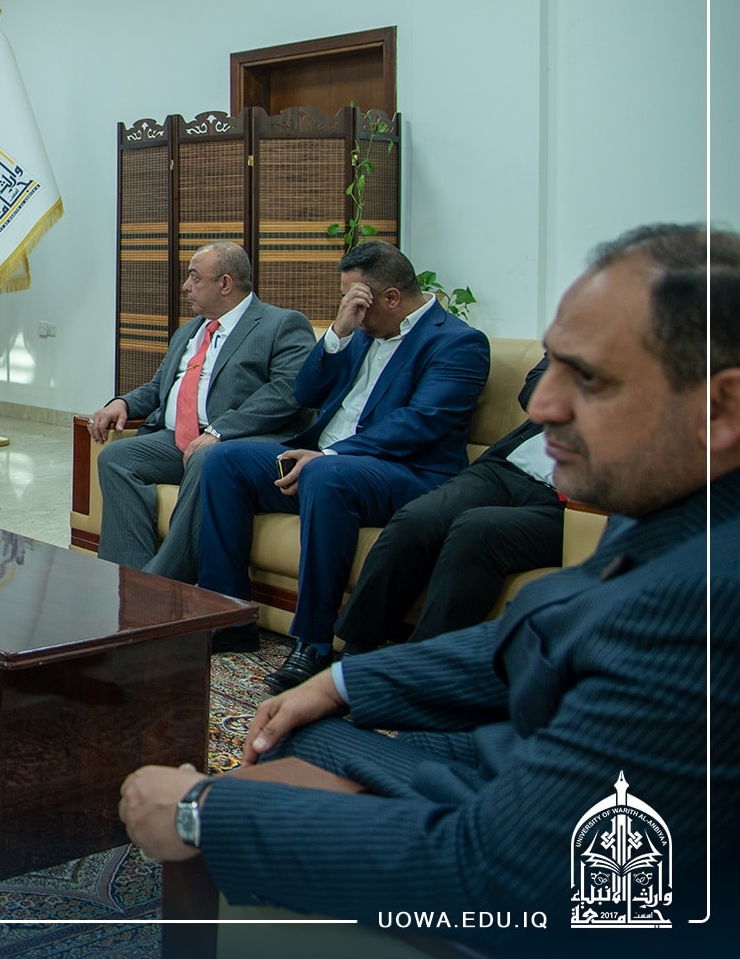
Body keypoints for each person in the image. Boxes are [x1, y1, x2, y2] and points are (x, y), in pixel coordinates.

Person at [120, 224, 737, 946]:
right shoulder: (675, 501)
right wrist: (343, 682)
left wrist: (201, 812)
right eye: (553, 366)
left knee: (240, 798)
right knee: (301, 732)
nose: (540, 407)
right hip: (509, 754)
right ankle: (235, 617)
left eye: (589, 378)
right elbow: (528, 640)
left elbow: (505, 868)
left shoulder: (706, 604)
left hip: (530, 840)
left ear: (721, 409)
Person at [193, 240, 489, 694]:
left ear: (391, 297)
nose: (350, 307)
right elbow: (306, 394)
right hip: (325, 464)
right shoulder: (361, 331)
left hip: (403, 474)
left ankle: (313, 642)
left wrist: (330, 456)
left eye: (355, 298)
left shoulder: (457, 342)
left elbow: (422, 423)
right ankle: (230, 618)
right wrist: (337, 332)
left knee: (323, 474)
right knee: (224, 458)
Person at [89, 241, 314, 581]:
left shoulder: (281, 324)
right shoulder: (190, 330)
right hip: (177, 439)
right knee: (116, 457)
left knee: (205, 459)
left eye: (194, 277)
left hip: (238, 442)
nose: (185, 286)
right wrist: (123, 403)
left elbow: (287, 391)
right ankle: (129, 579)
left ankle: (158, 583)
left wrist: (219, 431)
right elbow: (160, 385)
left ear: (225, 283)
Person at [331, 354, 563, 653]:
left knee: (477, 529)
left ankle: (421, 667)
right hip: (507, 469)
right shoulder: (584, 340)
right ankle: (354, 652)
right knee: (417, 519)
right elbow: (534, 394)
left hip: (570, 505)